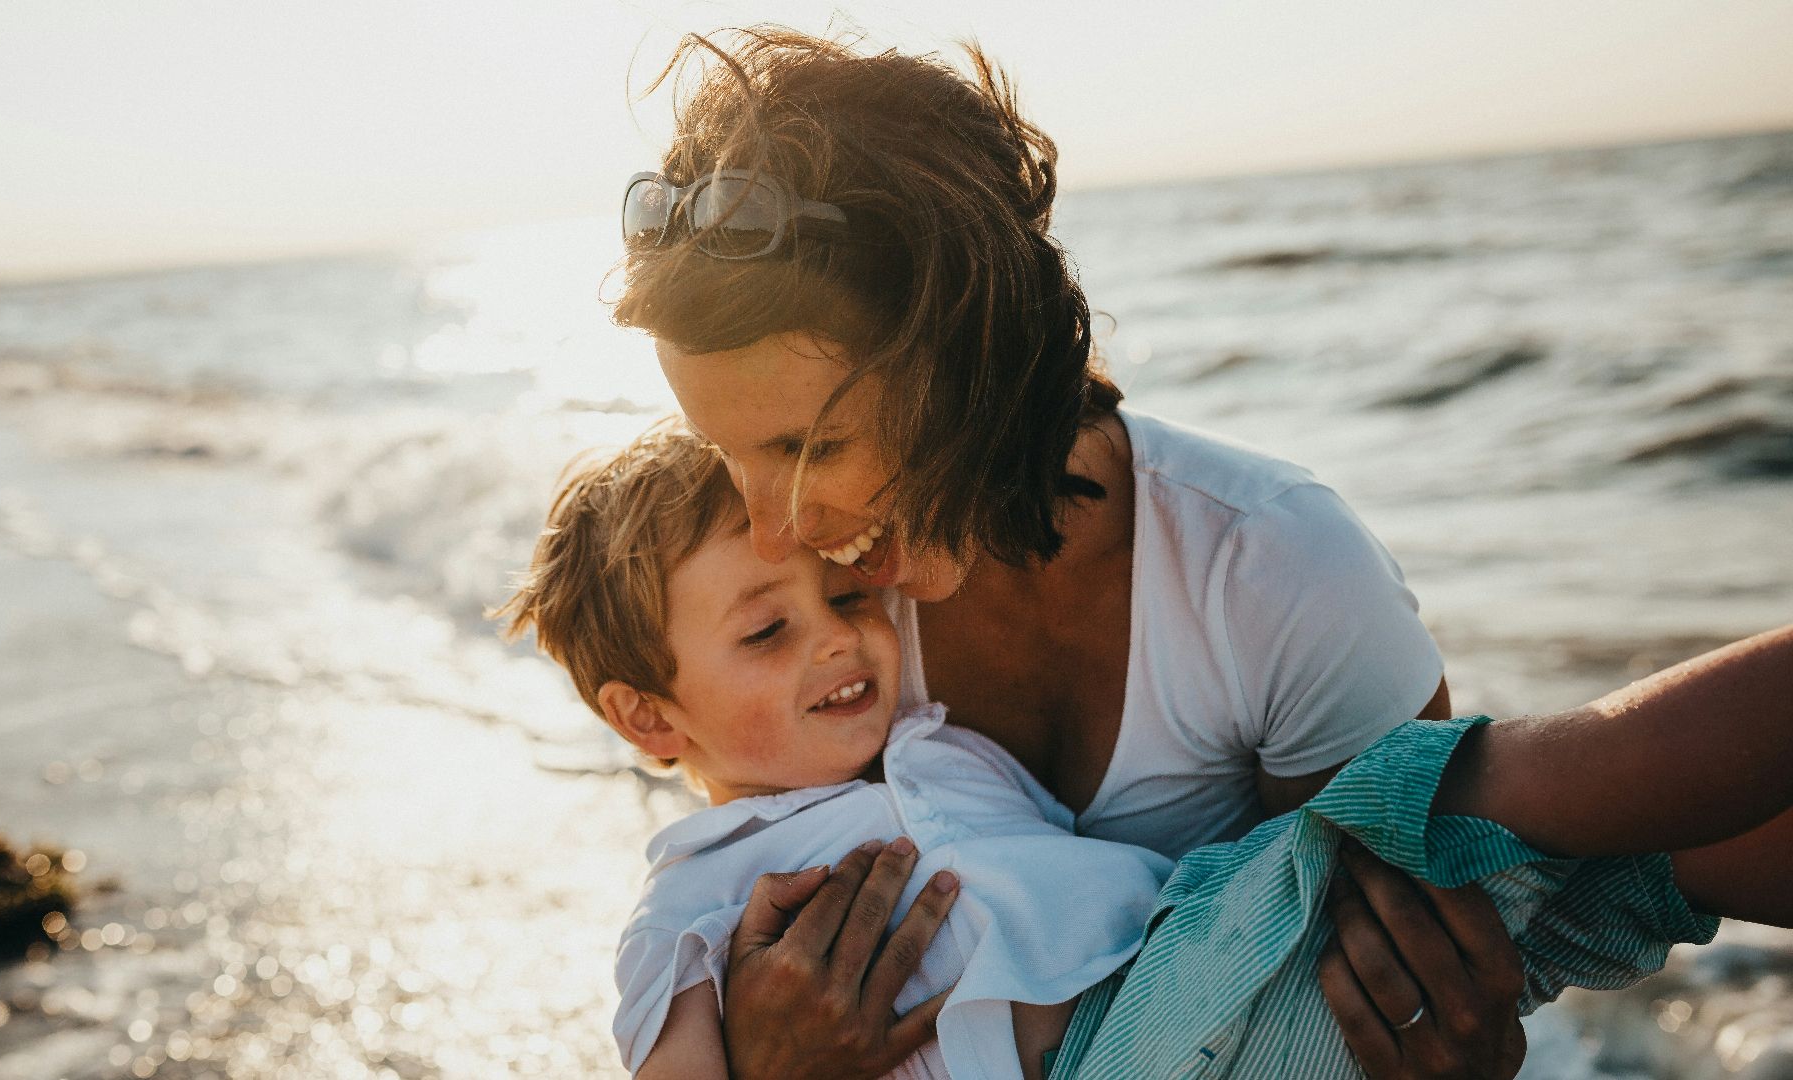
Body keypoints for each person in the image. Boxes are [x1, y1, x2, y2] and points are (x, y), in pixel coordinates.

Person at [613, 27, 1533, 1079]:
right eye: (727, 453)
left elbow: (1429, 985)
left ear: (969, 361)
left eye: (807, 447)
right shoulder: (815, 622)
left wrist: (1452, 1036)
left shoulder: (1271, 570)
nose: (774, 529)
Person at [498, 422, 1793, 1079]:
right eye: (766, 632)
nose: (839, 644)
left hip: (1213, 990)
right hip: (1132, 1046)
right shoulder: (695, 895)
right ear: (649, 720)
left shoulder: (937, 748)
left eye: (842, 600)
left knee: (1643, 869)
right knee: (1475, 800)